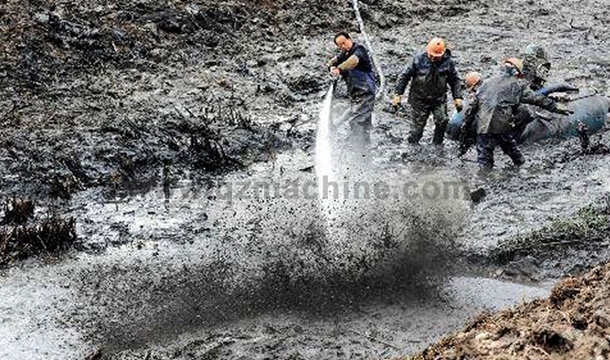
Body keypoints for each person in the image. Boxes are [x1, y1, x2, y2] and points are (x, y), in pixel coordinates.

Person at [461, 58, 572, 170]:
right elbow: (536, 99)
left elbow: (471, 109)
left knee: (484, 161)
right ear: (518, 73)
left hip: (483, 128)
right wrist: (555, 108)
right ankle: (521, 168)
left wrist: (465, 127)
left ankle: (484, 181)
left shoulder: (486, 84)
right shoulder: (517, 85)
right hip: (502, 127)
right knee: (513, 152)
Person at [392, 37, 463, 145]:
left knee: (442, 121)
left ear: (442, 54)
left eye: (436, 57)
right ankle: (412, 146)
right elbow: (404, 76)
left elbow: (455, 80)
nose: (433, 58)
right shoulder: (418, 59)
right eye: (431, 56)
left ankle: (437, 144)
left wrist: (457, 97)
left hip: (438, 100)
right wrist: (398, 94)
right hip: (419, 100)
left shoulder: (448, 62)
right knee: (417, 129)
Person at [327, 32, 377, 151]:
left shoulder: (359, 50)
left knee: (357, 121)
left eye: (344, 43)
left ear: (350, 39)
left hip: (366, 93)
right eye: (340, 46)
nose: (343, 47)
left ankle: (357, 149)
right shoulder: (345, 54)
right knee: (363, 120)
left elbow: (353, 62)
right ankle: (365, 148)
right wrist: (331, 67)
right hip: (355, 94)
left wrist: (339, 69)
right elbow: (332, 62)